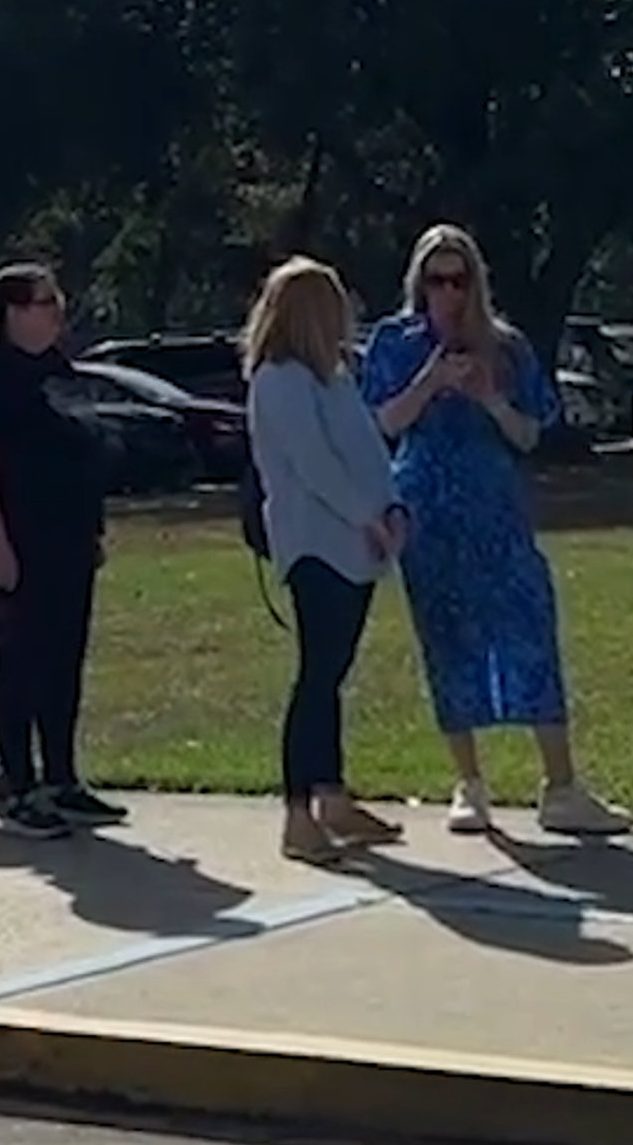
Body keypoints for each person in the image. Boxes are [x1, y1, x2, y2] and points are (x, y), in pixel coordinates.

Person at [359, 224, 631, 837]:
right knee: (446, 636)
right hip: (427, 504)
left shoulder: (506, 347)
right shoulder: (393, 342)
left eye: (459, 279)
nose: (448, 292)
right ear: (418, 283)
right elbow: (383, 421)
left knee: (529, 624)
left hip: (496, 503)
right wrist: (429, 382)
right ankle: (469, 782)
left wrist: (489, 398)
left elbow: (532, 434)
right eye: (437, 280)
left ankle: (561, 785)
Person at [245, 259, 411, 865]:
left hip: (360, 542)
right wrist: (366, 515)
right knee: (315, 676)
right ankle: (297, 814)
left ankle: (333, 797)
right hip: (316, 542)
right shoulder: (279, 379)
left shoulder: (335, 375)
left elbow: (367, 446)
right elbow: (313, 464)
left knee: (333, 674)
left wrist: (391, 505)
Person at [0, 264, 122, 840]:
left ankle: (62, 778)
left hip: (69, 540)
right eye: (44, 302)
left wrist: (92, 530)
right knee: (19, 661)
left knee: (63, 659)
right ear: (12, 312)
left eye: (57, 299)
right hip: (18, 542)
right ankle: (19, 785)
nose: (56, 310)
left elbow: (79, 445)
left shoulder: (58, 369)